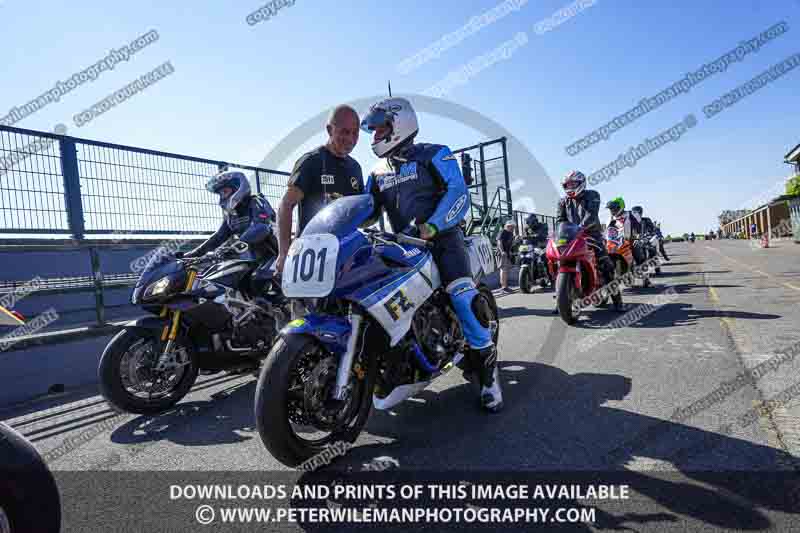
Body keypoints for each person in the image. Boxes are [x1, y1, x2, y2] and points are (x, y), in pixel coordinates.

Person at [360, 96, 503, 413]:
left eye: (381, 128)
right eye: (373, 130)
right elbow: (367, 211)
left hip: (443, 239)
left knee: (461, 296)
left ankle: (488, 376)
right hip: (402, 245)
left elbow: (458, 193)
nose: (375, 135)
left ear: (399, 124)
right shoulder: (377, 171)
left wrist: (433, 226)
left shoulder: (435, 153)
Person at [275, 104, 364, 276]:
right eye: (344, 132)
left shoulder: (355, 168)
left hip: (344, 258)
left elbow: (358, 213)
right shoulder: (311, 161)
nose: (350, 138)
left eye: (355, 133)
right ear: (330, 130)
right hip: (310, 258)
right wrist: (284, 253)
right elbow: (285, 205)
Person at [555, 171, 624, 312]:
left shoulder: (592, 195)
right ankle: (561, 299)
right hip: (571, 236)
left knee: (605, 265)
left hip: (591, 234)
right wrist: (558, 233)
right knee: (558, 261)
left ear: (581, 183)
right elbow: (560, 220)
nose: (570, 187)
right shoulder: (563, 202)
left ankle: (618, 301)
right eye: (567, 185)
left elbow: (591, 214)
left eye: (573, 184)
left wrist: (580, 227)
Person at [184, 170, 277, 273]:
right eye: (220, 194)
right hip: (250, 260)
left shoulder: (256, 201)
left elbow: (262, 227)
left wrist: (235, 246)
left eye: (225, 192)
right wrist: (193, 254)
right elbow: (218, 237)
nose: (222, 197)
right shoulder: (232, 215)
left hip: (274, 258)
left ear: (238, 188)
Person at [497, 221, 515, 292]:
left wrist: (515, 241)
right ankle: (503, 287)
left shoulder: (511, 233)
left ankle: (505, 286)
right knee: (504, 269)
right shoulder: (503, 232)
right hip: (502, 253)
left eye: (513, 227)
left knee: (506, 270)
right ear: (507, 226)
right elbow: (499, 242)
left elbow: (510, 244)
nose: (513, 228)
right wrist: (502, 251)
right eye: (511, 226)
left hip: (507, 253)